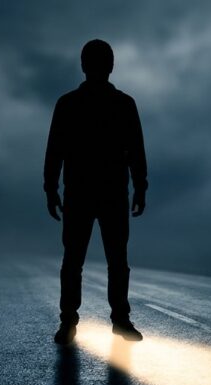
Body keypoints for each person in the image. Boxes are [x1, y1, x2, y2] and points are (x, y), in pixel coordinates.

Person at [44, 39, 147, 344]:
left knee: (77, 260)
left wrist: (51, 188)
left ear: (83, 65)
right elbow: (136, 152)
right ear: (110, 66)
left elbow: (54, 152)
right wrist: (140, 186)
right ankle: (116, 320)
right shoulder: (122, 103)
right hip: (107, 192)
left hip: (83, 192)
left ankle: (72, 321)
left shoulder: (70, 103)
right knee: (111, 260)